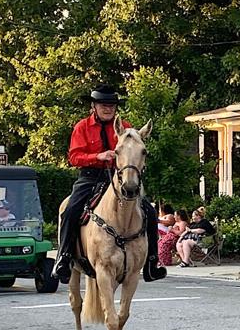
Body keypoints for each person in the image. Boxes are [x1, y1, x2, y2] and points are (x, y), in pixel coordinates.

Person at [52, 85, 166, 283]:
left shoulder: (126, 127)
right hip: (90, 176)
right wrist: (98, 156)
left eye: (112, 105)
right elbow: (74, 157)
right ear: (94, 106)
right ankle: (64, 258)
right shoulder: (83, 127)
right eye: (103, 105)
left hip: (118, 177)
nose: (108, 109)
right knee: (70, 210)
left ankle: (152, 262)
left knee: (149, 211)